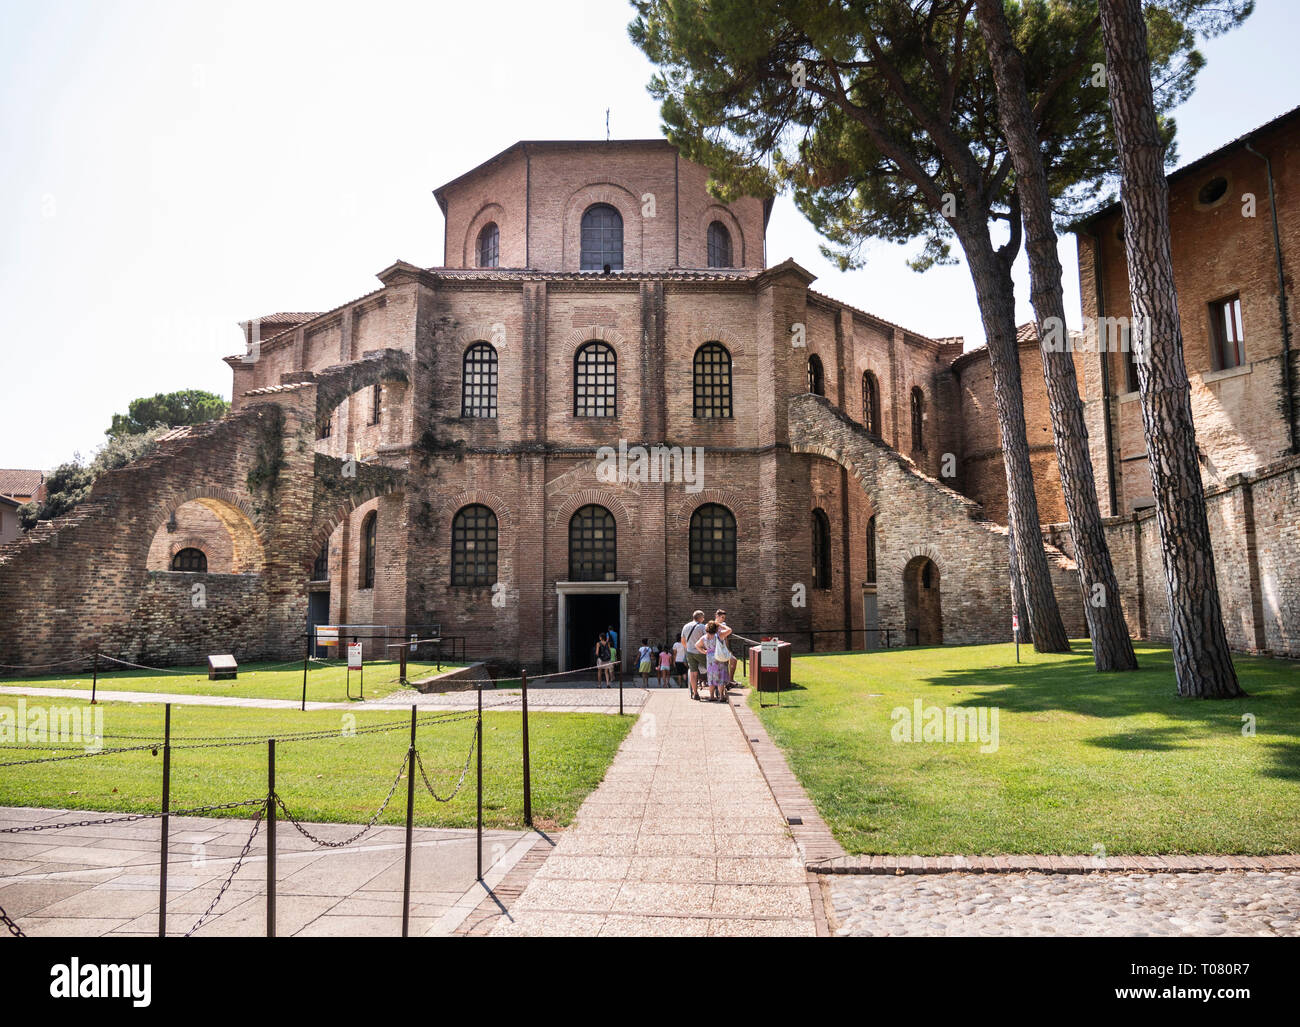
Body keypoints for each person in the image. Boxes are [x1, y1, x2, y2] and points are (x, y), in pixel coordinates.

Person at [694, 620, 727, 702]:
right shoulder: (719, 635)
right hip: (719, 657)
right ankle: (721, 696)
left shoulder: (704, 638)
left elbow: (696, 645)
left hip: (710, 659)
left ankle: (712, 696)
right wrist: (721, 625)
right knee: (720, 678)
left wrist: (704, 651)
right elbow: (730, 630)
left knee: (711, 678)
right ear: (716, 629)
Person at [680, 610, 708, 700]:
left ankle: (695, 693)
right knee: (710, 667)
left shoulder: (686, 626)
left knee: (693, 673)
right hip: (700, 652)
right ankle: (711, 686)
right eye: (703, 617)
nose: (703, 619)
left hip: (689, 652)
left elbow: (683, 641)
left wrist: (688, 648)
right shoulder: (702, 627)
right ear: (699, 617)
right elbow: (706, 640)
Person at [716, 608, 739, 686]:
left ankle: (731, 679)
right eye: (722, 617)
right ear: (717, 616)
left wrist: (728, 649)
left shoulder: (724, 625)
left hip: (723, 648)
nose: (723, 619)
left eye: (724, 618)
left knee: (734, 660)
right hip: (716, 649)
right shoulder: (712, 625)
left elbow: (726, 639)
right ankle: (725, 681)